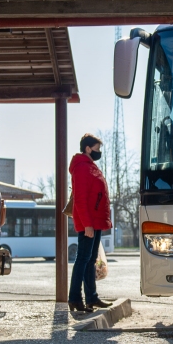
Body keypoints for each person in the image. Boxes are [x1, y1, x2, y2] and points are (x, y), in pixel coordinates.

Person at [69, 134, 113, 313]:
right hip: (89, 223)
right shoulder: (81, 167)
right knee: (82, 259)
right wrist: (87, 224)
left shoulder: (90, 166)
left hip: (95, 222)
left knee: (90, 260)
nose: (99, 152)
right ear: (87, 148)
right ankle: (74, 298)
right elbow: (80, 199)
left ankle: (91, 297)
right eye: (96, 148)